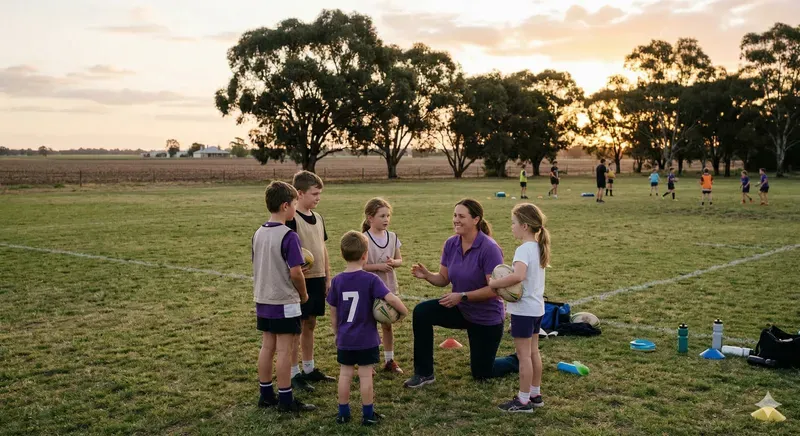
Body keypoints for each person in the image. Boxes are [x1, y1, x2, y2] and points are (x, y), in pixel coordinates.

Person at [404, 199, 505, 388]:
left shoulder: (490, 248)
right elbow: (443, 278)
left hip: (486, 317)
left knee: (482, 373)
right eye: (455, 215)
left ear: (476, 219)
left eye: (461, 216)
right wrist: (427, 275)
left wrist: (462, 295)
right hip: (461, 309)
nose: (456, 220)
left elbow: (494, 289)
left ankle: (517, 359)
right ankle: (424, 373)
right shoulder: (451, 244)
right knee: (422, 312)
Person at [327, 231, 408, 426]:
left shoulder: (337, 281)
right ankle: (368, 414)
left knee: (345, 375)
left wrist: (337, 333)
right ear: (365, 255)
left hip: (345, 338)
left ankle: (343, 413)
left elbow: (333, 312)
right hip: (367, 338)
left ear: (342, 254)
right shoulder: (371, 279)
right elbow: (391, 298)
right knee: (365, 376)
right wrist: (403, 311)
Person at [253, 181, 315, 413]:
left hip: (263, 299)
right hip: (284, 301)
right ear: (285, 206)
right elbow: (295, 273)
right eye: (295, 204)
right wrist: (304, 294)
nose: (295, 209)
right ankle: (286, 400)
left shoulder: (258, 233)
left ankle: (266, 395)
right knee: (285, 351)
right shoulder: (289, 236)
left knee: (267, 347)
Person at [488, 203, 550, 413]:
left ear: (524, 226)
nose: (511, 227)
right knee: (533, 352)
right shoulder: (538, 246)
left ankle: (523, 401)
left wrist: (494, 283)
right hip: (537, 308)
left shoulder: (523, 249)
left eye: (513, 223)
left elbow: (518, 276)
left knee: (523, 356)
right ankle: (535, 394)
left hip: (524, 310)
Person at [286, 171, 335, 391]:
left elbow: (322, 248)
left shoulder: (319, 218)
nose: (318, 198)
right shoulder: (291, 219)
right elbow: (286, 251)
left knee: (311, 324)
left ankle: (309, 368)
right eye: (314, 194)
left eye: (319, 194)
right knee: (296, 327)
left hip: (318, 279)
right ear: (299, 193)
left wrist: (327, 276)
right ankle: (293, 372)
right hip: (300, 281)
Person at [361, 198, 404, 374]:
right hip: (369, 289)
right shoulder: (364, 239)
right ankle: (368, 362)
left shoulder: (392, 237)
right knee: (368, 326)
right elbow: (361, 266)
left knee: (387, 325)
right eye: (382, 216)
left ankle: (389, 360)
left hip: (388, 288)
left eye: (388, 215)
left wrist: (394, 262)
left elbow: (400, 260)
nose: (386, 219)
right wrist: (378, 266)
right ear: (370, 218)